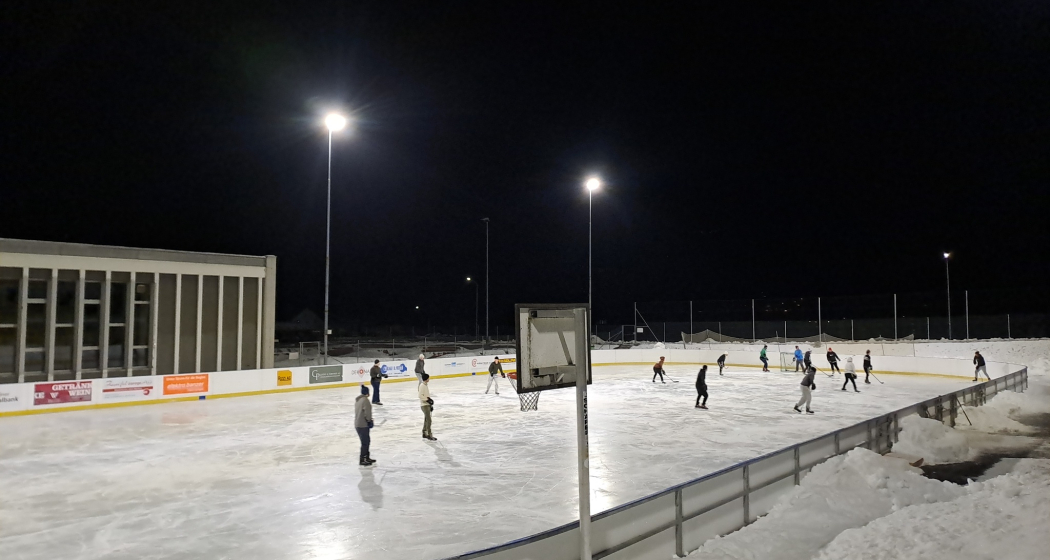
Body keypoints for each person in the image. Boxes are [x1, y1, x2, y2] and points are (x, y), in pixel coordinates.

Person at [355, 385, 375, 466]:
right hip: (363, 424)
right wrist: (370, 421)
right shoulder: (365, 400)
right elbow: (367, 413)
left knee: (366, 441)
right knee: (365, 442)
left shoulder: (358, 400)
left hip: (358, 424)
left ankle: (366, 457)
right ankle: (363, 459)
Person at [418, 373, 436, 440]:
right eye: (428, 378)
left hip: (427, 405)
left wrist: (430, 402)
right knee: (429, 420)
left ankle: (424, 433)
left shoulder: (425, 385)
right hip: (424, 405)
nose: (429, 379)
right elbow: (420, 396)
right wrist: (427, 400)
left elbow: (426, 395)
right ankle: (429, 434)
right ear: (426, 379)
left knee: (426, 419)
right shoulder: (422, 385)